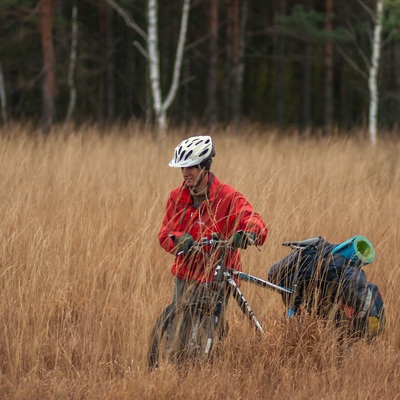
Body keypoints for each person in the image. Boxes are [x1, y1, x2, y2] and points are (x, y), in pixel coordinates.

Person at [158, 135, 268, 306]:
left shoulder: (228, 197)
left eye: (190, 167)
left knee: (207, 331)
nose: (185, 173)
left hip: (218, 278)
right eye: (182, 168)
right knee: (176, 331)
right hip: (185, 276)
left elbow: (254, 221)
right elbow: (165, 234)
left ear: (204, 166)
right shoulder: (176, 197)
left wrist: (248, 235)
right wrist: (178, 239)